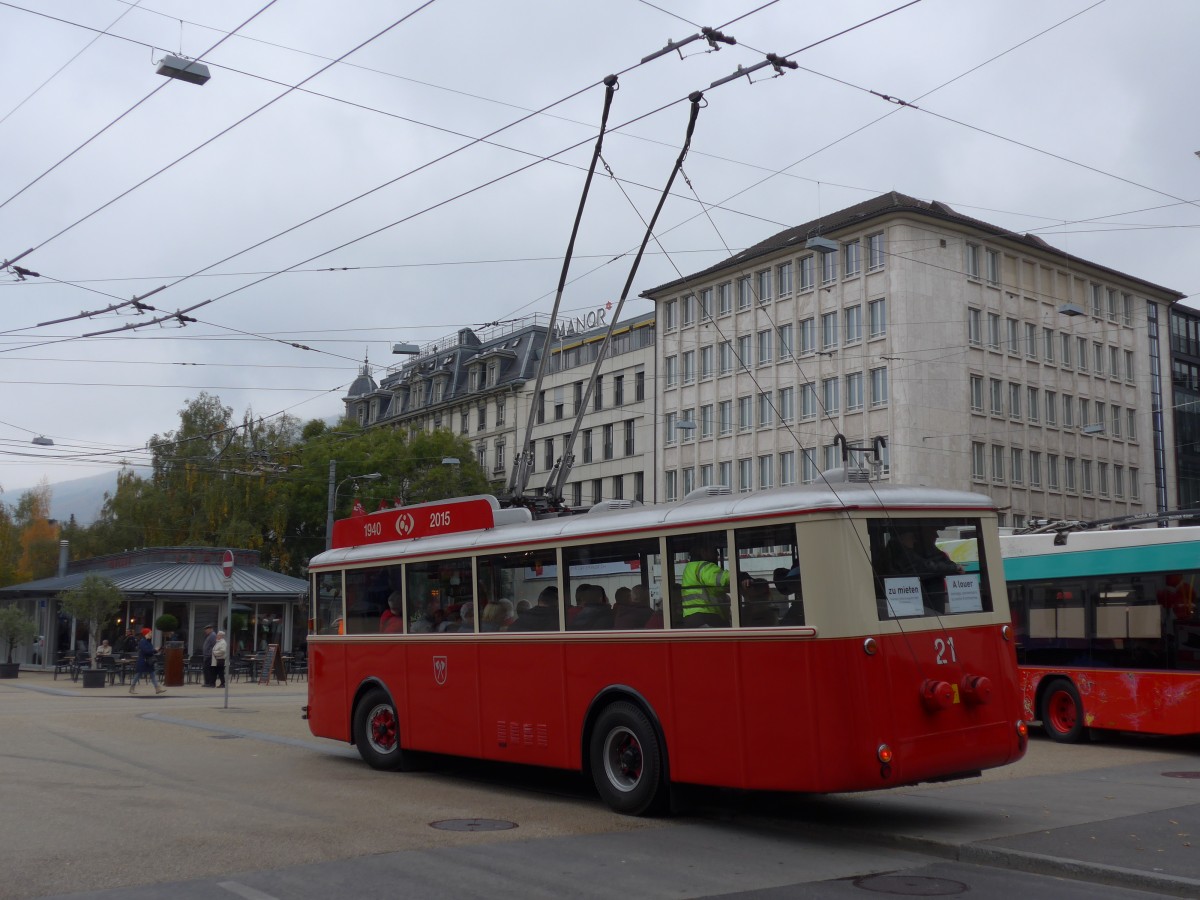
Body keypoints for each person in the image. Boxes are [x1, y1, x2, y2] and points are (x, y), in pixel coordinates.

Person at [680, 538, 741, 627]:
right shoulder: (703, 566)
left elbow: (712, 589)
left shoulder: (690, 568)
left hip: (691, 617)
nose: (717, 554)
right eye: (713, 550)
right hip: (706, 616)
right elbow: (721, 579)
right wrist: (741, 576)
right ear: (703, 552)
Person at [128, 628, 165, 695]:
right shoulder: (142, 641)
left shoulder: (147, 641)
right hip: (143, 661)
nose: (151, 634)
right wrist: (155, 650)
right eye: (150, 633)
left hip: (148, 661)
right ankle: (132, 688)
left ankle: (157, 689)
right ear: (146, 634)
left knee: (152, 674)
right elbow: (146, 651)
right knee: (138, 674)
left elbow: (150, 651)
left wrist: (157, 650)